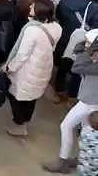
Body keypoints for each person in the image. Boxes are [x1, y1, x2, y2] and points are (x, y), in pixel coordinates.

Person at [3, 0, 62, 137]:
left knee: (16, 96)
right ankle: (26, 119)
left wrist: (9, 67)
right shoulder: (57, 27)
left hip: (28, 70)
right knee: (32, 97)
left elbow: (22, 55)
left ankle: (20, 124)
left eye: (33, 6)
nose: (30, 7)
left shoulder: (32, 30)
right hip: (43, 67)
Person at [44, 28, 98, 173]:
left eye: (89, 43)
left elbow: (77, 68)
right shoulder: (94, 58)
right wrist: (85, 52)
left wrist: (85, 53)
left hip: (90, 102)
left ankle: (62, 161)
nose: (86, 45)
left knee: (66, 126)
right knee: (86, 129)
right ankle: (81, 157)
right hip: (90, 100)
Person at [53, 0, 98, 106]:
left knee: (63, 62)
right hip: (83, 40)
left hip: (65, 35)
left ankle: (59, 89)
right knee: (78, 67)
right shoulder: (93, 5)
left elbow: (58, 15)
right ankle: (72, 95)